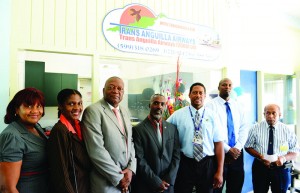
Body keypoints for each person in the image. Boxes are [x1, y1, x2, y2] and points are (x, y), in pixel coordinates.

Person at [81, 76, 136, 193]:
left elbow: (130, 142)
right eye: (111, 87)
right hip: (105, 182)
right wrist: (119, 177)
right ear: (103, 90)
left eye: (120, 88)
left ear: (123, 92)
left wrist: (131, 169)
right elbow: (96, 150)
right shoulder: (93, 111)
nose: (116, 91)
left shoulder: (125, 111)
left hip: (126, 178)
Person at [167, 82, 224, 193]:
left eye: (200, 93)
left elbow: (219, 143)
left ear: (204, 96)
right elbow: (164, 130)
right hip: (185, 163)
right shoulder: (178, 115)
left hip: (207, 163)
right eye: (194, 93)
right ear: (189, 95)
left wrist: (219, 171)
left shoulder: (213, 116)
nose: (198, 95)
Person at [0, 88, 49, 193]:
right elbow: (7, 188)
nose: (35, 111)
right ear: (17, 109)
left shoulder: (36, 126)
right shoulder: (12, 136)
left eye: (39, 106)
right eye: (29, 106)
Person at [206, 78, 248, 193]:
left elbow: (244, 128)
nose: (227, 87)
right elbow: (211, 131)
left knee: (236, 187)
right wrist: (228, 149)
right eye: (224, 85)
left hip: (237, 154)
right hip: (219, 152)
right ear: (219, 87)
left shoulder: (239, 106)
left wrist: (237, 148)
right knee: (216, 188)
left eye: (230, 85)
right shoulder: (210, 106)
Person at [132, 94, 180, 193]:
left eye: (162, 104)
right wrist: (156, 181)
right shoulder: (138, 130)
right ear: (149, 105)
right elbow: (139, 158)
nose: (159, 106)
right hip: (147, 184)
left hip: (168, 185)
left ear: (165, 107)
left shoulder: (172, 128)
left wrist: (168, 179)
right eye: (156, 103)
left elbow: (176, 156)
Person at [245, 104, 299, 193]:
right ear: (264, 114)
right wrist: (259, 156)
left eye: (274, 113)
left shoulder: (287, 130)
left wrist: (283, 158)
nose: (270, 116)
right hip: (260, 167)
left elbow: (295, 150)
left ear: (279, 115)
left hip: (281, 168)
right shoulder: (255, 129)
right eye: (268, 113)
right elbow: (248, 146)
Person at [47, 89, 91, 193]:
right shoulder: (60, 130)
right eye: (71, 104)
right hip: (73, 188)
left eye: (80, 103)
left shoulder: (79, 126)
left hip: (85, 186)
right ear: (61, 106)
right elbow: (60, 173)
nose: (77, 108)